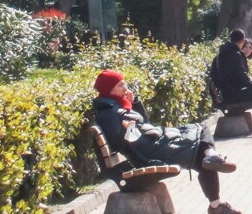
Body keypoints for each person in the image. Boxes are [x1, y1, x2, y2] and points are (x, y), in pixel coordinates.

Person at [92, 69, 242, 214]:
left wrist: (133, 104)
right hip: (149, 154)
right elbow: (122, 140)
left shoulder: (116, 106)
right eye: (120, 85)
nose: (125, 87)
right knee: (201, 142)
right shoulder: (108, 114)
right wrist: (129, 126)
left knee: (200, 141)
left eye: (124, 83)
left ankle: (212, 164)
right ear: (108, 90)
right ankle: (215, 197)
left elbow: (144, 124)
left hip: (152, 146)